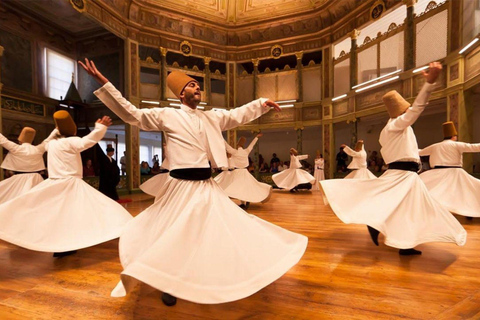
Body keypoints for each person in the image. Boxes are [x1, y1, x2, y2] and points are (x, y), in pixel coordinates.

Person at [80, 58, 307, 306]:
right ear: (180, 94)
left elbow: (236, 115)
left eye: (198, 85)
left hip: (206, 185)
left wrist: (261, 103)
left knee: (220, 228)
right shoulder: (166, 115)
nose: (197, 88)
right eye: (191, 85)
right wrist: (105, 84)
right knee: (174, 234)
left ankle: (212, 272)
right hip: (179, 186)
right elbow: (132, 113)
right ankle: (168, 281)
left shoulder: (211, 118)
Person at [320, 62, 466, 255]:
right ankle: (385, 230)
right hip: (403, 174)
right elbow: (417, 109)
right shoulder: (397, 125)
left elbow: (409, 150)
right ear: (401, 110)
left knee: (408, 208)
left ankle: (402, 242)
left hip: (404, 173)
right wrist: (429, 83)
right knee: (410, 207)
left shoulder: (391, 130)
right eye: (406, 109)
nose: (408, 112)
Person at [0, 111, 132, 257]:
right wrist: (100, 128)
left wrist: (59, 126)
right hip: (70, 183)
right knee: (99, 208)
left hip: (54, 182)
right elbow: (87, 141)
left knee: (59, 216)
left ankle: (62, 246)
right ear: (73, 130)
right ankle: (71, 243)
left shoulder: (52, 144)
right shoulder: (70, 142)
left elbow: (52, 137)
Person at [419, 121, 480, 219]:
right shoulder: (457, 145)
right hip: (455, 173)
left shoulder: (435, 146)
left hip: (436, 173)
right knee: (467, 192)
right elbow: (474, 147)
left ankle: (430, 212)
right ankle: (469, 212)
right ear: (454, 136)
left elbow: (420, 152)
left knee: (431, 192)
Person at [0, 127, 57, 204]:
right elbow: (49, 139)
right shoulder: (38, 149)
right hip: (37, 179)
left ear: (20, 139)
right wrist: (57, 129)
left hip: (19, 179)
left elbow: (3, 140)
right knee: (38, 201)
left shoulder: (16, 148)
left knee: (15, 200)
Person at [217, 133, 272, 209]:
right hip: (245, 172)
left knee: (238, 188)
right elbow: (251, 145)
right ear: (242, 146)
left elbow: (226, 146)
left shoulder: (235, 152)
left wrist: (220, 138)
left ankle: (241, 202)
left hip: (237, 172)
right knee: (245, 187)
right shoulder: (246, 151)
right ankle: (244, 202)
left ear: (237, 145)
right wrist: (256, 137)